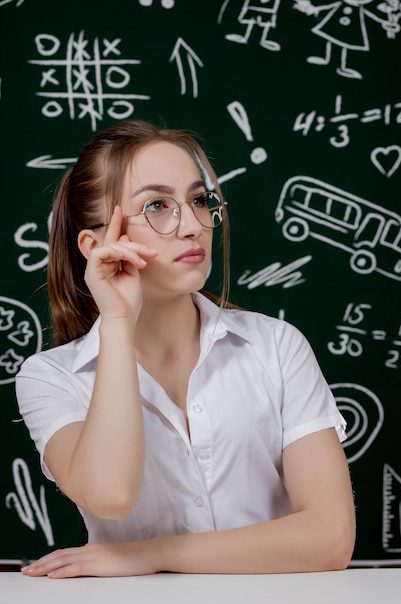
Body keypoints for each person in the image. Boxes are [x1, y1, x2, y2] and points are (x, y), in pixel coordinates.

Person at [16, 119, 356, 579]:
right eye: (157, 205)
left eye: (199, 200)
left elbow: (331, 538)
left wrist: (151, 555)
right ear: (96, 244)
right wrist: (117, 319)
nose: (194, 225)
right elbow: (110, 494)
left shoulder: (275, 346)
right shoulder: (50, 377)